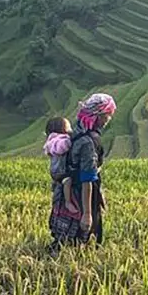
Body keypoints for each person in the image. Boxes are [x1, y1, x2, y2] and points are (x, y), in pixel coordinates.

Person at [66, 93, 117, 246]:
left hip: (72, 189)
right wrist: (87, 214)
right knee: (85, 237)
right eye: (108, 115)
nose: (109, 119)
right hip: (83, 193)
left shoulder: (78, 131)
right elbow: (87, 178)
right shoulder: (89, 142)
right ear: (99, 116)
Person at [45, 117, 82, 251]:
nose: (70, 131)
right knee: (67, 181)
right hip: (60, 172)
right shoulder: (59, 141)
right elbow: (64, 146)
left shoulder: (52, 140)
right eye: (68, 128)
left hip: (56, 172)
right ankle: (67, 202)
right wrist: (73, 136)